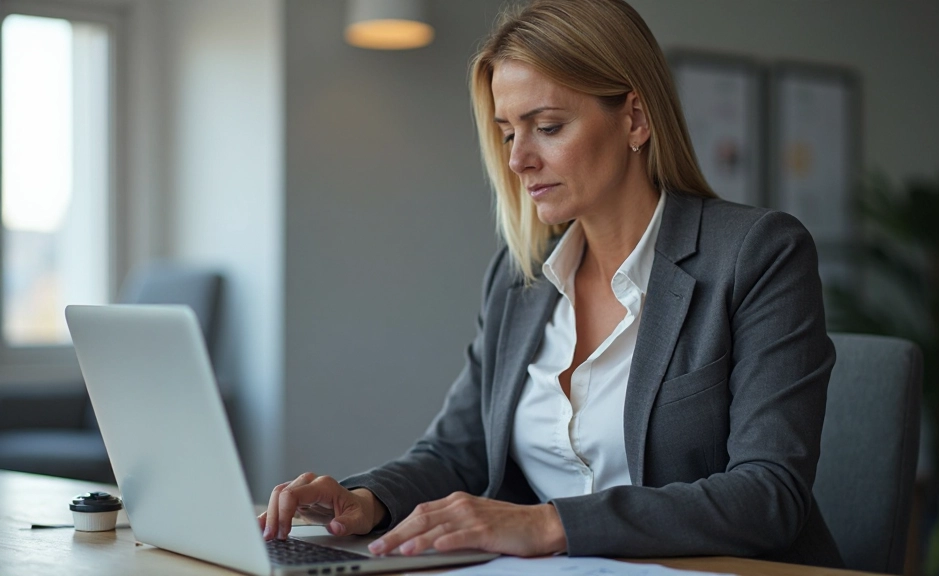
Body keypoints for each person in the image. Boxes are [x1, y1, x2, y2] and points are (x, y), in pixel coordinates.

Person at [259, 0, 843, 568]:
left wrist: (549, 524)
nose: (519, 160)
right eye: (508, 133)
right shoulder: (520, 280)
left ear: (635, 119)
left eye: (547, 127)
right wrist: (365, 501)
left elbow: (768, 493)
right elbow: (457, 450)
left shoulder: (758, 254)